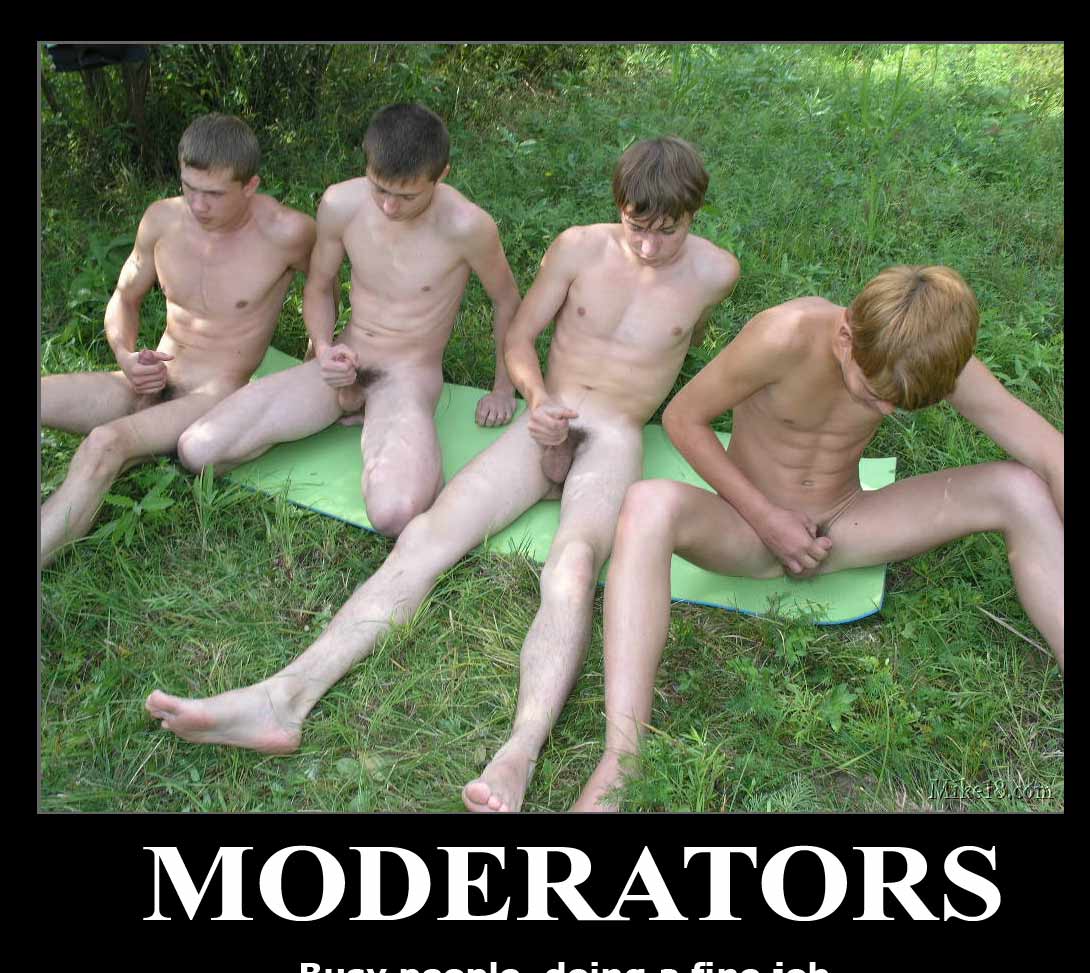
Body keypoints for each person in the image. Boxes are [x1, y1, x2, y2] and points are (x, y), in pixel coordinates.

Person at [146, 137, 741, 812]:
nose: (651, 247)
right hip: (547, 415)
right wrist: (537, 401)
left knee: (573, 567)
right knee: (426, 536)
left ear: (694, 215)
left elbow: (699, 346)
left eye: (670, 231)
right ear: (618, 207)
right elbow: (520, 336)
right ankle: (283, 699)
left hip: (615, 435)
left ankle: (518, 755)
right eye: (638, 226)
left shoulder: (717, 272)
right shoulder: (578, 248)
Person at [571, 265, 1064, 811]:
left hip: (843, 521)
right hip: (747, 529)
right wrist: (765, 518)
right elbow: (684, 419)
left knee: (1021, 488)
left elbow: (1051, 453)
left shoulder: (925, 351)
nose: (887, 410)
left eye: (899, 404)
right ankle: (623, 756)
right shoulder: (783, 336)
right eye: (875, 395)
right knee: (647, 504)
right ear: (847, 336)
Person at [175, 103, 522, 537]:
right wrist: (324, 349)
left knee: (395, 513)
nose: (390, 207)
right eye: (380, 189)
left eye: (407, 196)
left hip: (408, 373)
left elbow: (507, 301)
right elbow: (320, 287)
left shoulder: (467, 226)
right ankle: (350, 409)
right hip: (347, 357)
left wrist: (503, 387)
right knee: (196, 449)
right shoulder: (341, 204)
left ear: (441, 175)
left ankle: (395, 439)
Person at [41, 114, 320, 567]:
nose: (198, 204)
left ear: (250, 185)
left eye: (214, 193)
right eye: (189, 187)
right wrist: (125, 355)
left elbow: (323, 290)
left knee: (104, 444)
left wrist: (316, 352)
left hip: (213, 394)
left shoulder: (288, 232)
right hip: (151, 374)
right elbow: (124, 297)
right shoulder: (162, 219)